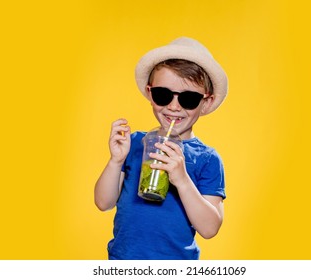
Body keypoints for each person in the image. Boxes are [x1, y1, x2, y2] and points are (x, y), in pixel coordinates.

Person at [94, 37, 228, 260]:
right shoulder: (135, 144)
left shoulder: (207, 159)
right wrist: (115, 161)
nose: (173, 106)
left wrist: (182, 180)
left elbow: (209, 229)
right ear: (149, 92)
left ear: (205, 102)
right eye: (163, 95)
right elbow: (103, 203)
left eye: (189, 99)